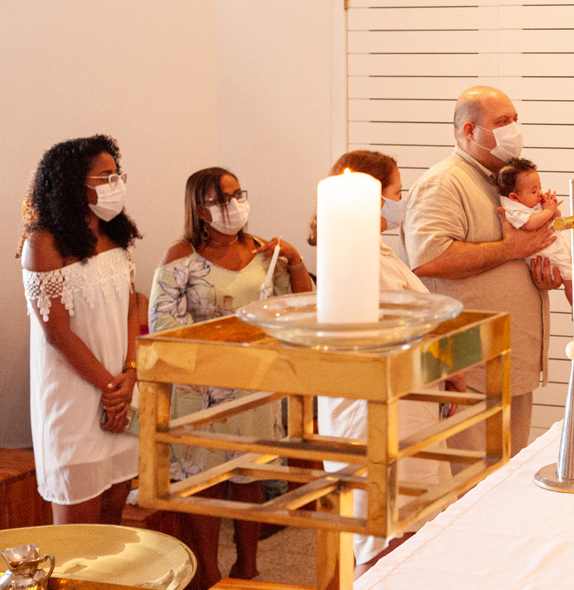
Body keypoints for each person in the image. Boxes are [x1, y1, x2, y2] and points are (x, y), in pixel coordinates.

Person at [148, 167, 312, 589]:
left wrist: (295, 260)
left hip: (253, 384)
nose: (234, 205)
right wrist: (227, 341)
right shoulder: (181, 256)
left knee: (249, 475)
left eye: (238, 194)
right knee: (203, 481)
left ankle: (247, 566)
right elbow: (164, 325)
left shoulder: (264, 252)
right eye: (222, 199)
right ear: (200, 209)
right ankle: (208, 571)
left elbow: (300, 310)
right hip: (200, 387)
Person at [309, 150, 450, 576]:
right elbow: (393, 328)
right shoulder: (356, 257)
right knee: (384, 536)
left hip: (408, 401)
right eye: (397, 192)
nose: (401, 201)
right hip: (378, 407)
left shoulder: (377, 250)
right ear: (374, 198)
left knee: (412, 527)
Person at [402, 86, 562, 455]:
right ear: (469, 130)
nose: (514, 130)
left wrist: (540, 273)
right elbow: (428, 260)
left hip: (510, 356)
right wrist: (510, 250)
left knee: (509, 473)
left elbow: (513, 253)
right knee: (474, 479)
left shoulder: (506, 182)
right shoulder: (444, 182)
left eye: (515, 120)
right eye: (503, 122)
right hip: (467, 364)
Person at [19, 135, 142, 524]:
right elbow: (57, 334)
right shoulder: (43, 244)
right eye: (105, 177)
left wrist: (131, 374)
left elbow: (131, 309)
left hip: (120, 391)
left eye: (117, 175)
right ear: (74, 183)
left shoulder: (116, 236)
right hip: (75, 400)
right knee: (78, 535)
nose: (115, 184)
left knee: (113, 522)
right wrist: (111, 389)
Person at [496, 157, 574, 322]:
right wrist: (548, 210)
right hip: (547, 255)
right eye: (534, 191)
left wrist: (551, 206)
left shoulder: (531, 203)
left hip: (556, 246)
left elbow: (556, 216)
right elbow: (530, 224)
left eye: (540, 187)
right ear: (514, 197)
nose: (539, 193)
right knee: (571, 278)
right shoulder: (513, 211)